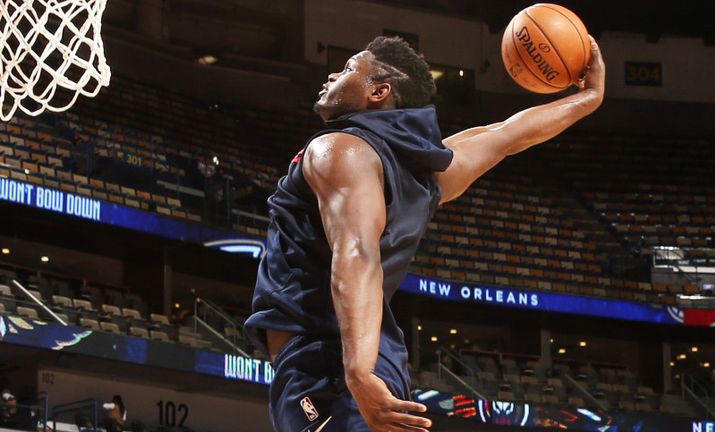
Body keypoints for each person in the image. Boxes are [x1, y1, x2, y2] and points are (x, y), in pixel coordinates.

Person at [245, 35, 605, 432]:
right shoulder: (426, 173)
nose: (332, 74)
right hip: (369, 358)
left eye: (348, 68)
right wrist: (588, 99)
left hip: (331, 362)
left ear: (379, 92)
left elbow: (357, 255)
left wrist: (358, 373)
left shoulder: (340, 150)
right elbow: (507, 135)